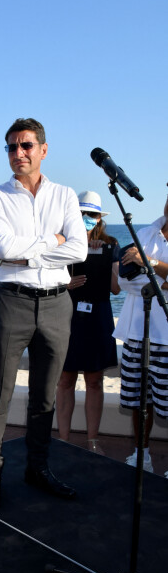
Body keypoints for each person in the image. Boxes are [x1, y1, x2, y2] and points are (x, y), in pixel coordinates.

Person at [0, 118, 87, 510]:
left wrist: (29, 251)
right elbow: (4, 247)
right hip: (12, 302)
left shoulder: (65, 195)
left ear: (43, 149)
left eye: (25, 146)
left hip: (57, 302)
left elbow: (78, 250)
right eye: (11, 147)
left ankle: (37, 468)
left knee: (44, 395)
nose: (18, 154)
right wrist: (50, 241)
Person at [55, 191, 120, 455]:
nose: (87, 219)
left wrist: (116, 266)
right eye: (82, 214)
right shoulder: (63, 243)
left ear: (99, 218)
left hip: (98, 318)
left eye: (91, 215)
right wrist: (64, 283)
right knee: (64, 380)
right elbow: (46, 276)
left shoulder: (111, 244)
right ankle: (63, 439)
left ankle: (92, 440)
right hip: (67, 316)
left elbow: (116, 289)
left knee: (95, 381)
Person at [113, 191, 168, 474]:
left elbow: (145, 278)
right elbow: (125, 283)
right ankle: (141, 454)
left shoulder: (144, 244)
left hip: (167, 338)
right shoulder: (145, 232)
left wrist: (149, 263)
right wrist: (160, 276)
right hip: (136, 332)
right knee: (137, 401)